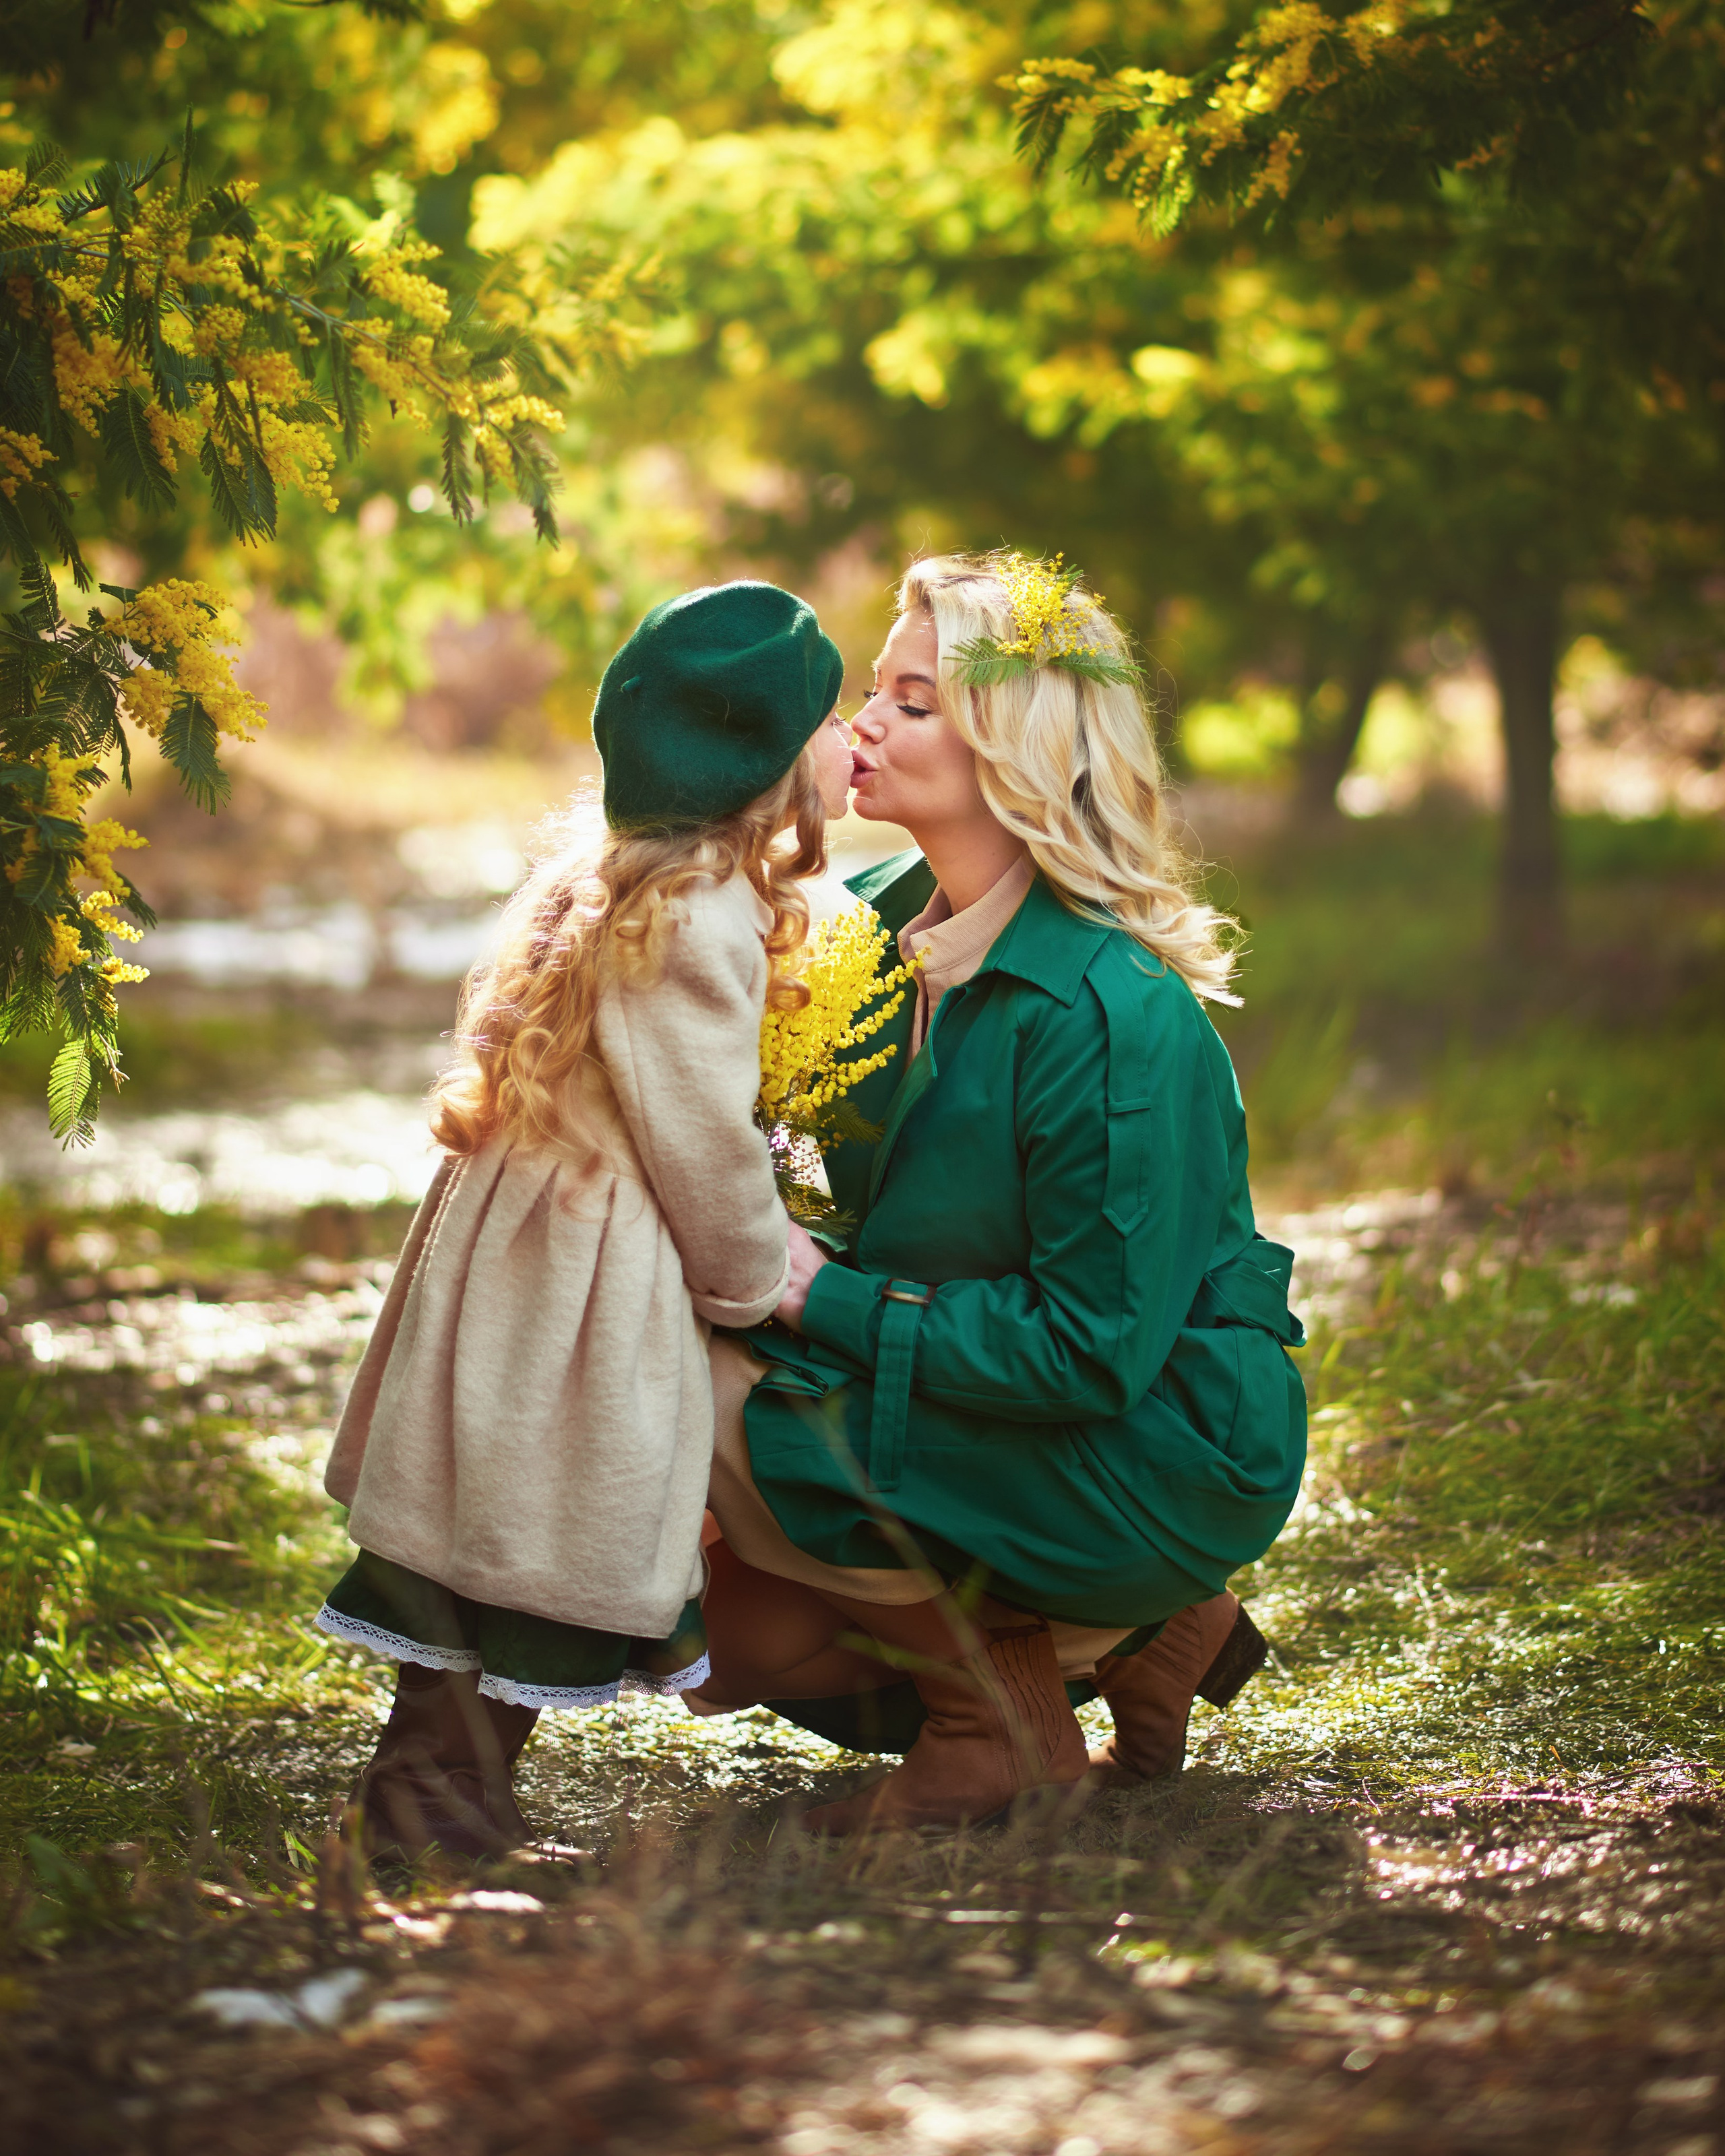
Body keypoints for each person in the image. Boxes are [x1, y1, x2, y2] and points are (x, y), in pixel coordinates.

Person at [691, 551, 1307, 1833]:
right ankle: (1133, 1638)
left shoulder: (1117, 1017)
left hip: (1144, 1446)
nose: (861, 726)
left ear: (1013, 752)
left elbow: (1090, 1352)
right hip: (981, 1395)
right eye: (876, 691)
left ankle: (1007, 1711)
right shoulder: (863, 929)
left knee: (694, 1373)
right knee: (730, 1639)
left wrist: (820, 1299)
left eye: (914, 705)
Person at [317, 581, 854, 1860]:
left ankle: (449, 1791)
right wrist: (750, 1273)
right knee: (531, 1532)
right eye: (829, 722)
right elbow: (698, 1138)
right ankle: (427, 1805)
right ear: (769, 760)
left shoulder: (621, 877)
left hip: (526, 1246)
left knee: (488, 1522)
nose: (848, 745)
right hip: (583, 1276)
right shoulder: (695, 915)